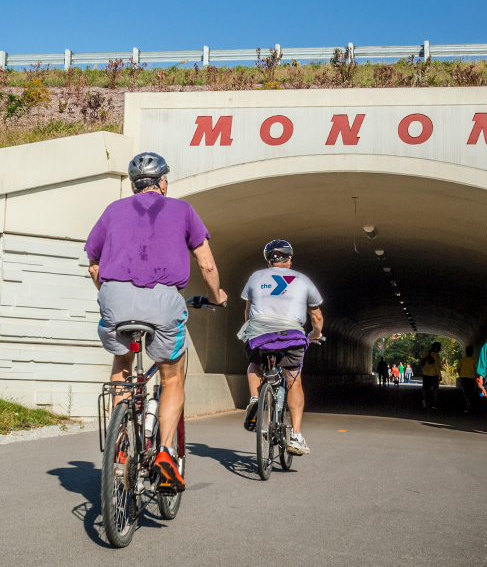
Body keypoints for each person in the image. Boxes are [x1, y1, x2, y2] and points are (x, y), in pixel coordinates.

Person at [85, 152, 228, 492]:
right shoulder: (183, 210)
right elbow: (206, 265)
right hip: (163, 301)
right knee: (171, 374)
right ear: (163, 182)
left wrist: (110, 295)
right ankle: (164, 453)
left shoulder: (112, 210)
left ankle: (119, 448)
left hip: (115, 299)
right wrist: (217, 295)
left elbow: (93, 265)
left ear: (135, 185)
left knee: (123, 360)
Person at [239, 239, 323, 455]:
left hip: (259, 335)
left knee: (254, 364)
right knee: (294, 381)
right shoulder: (303, 280)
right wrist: (315, 334)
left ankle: (256, 400)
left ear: (268, 261)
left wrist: (251, 329)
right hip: (291, 336)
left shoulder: (255, 277)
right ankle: (295, 436)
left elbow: (248, 312)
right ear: (289, 259)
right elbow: (317, 316)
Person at [456, 345, 479, 410]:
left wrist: (460, 374)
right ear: (473, 352)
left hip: (463, 377)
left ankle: (467, 402)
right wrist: (476, 376)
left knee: (465, 390)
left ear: (466, 352)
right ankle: (470, 402)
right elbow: (476, 369)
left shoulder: (463, 359)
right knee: (471, 390)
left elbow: (458, 367)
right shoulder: (474, 360)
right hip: (472, 377)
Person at [421, 342, 442, 409]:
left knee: (425, 388)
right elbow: (437, 367)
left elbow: (422, 363)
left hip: (425, 373)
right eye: (439, 347)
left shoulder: (426, 353)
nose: (439, 349)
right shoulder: (436, 356)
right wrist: (440, 376)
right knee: (435, 389)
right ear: (436, 348)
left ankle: (424, 400)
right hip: (433, 374)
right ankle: (434, 403)